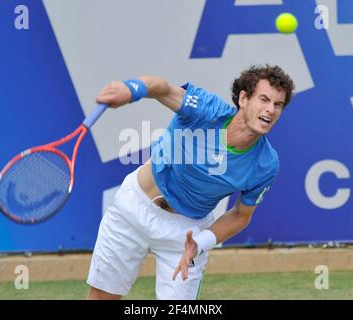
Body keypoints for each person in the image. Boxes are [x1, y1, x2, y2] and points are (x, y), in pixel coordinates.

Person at [86, 65, 295, 300]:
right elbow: (162, 89)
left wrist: (200, 242)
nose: (270, 110)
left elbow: (241, 215)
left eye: (278, 105)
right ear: (244, 99)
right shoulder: (207, 110)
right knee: (102, 298)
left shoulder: (266, 163)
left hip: (185, 233)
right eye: (264, 99)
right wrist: (131, 89)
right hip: (134, 207)